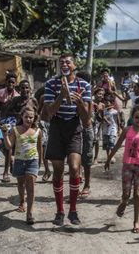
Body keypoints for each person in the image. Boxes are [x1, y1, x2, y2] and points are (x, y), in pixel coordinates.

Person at [44, 54, 92, 225]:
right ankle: (60, 211)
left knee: (73, 167)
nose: (64, 64)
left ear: (74, 65)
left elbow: (86, 120)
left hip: (74, 127)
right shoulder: (51, 84)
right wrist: (61, 96)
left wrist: (79, 104)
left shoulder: (84, 85)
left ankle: (73, 210)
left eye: (68, 62)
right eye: (61, 62)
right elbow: (49, 113)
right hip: (57, 127)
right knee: (57, 171)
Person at [104, 105, 139, 233]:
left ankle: (136, 222)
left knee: (137, 193)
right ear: (132, 118)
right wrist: (109, 158)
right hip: (127, 165)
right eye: (137, 117)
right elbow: (117, 145)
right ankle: (123, 203)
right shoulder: (127, 130)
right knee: (126, 194)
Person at [2, 107, 42, 225]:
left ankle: (29, 214)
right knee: (21, 184)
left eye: (31, 117)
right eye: (26, 117)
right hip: (19, 161)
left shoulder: (38, 131)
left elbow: (40, 148)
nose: (28, 119)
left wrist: (40, 162)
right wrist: (5, 135)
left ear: (34, 118)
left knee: (31, 187)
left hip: (32, 161)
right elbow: (9, 146)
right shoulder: (15, 130)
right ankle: (21, 201)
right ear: (22, 117)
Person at [0, 73, 20, 182]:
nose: (11, 84)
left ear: (15, 84)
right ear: (6, 82)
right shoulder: (0, 93)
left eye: (13, 82)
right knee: (3, 147)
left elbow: (18, 111)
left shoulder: (17, 96)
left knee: (9, 147)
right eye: (9, 82)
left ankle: (5, 172)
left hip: (13, 122)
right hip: (2, 121)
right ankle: (11, 161)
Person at [76, 70, 95, 199]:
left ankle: (87, 185)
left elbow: (88, 116)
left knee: (87, 159)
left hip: (86, 129)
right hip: (74, 128)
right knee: (75, 159)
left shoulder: (88, 98)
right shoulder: (73, 94)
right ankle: (76, 184)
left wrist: (80, 101)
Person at [34, 86, 51, 182]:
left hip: (55, 124)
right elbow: (38, 110)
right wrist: (35, 122)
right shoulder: (43, 97)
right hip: (44, 124)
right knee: (43, 147)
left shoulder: (60, 96)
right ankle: (47, 170)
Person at [102, 93, 119, 164]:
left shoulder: (115, 112)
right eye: (105, 102)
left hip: (113, 129)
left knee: (111, 143)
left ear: (111, 103)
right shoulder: (104, 111)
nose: (106, 103)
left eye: (107, 102)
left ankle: (112, 156)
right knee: (106, 144)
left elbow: (118, 120)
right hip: (105, 130)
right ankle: (108, 156)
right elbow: (101, 118)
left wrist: (120, 128)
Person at [92, 88, 105, 165]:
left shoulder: (102, 105)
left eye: (102, 94)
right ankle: (89, 156)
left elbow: (101, 118)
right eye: (99, 93)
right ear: (95, 94)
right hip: (89, 124)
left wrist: (99, 111)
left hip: (97, 125)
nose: (101, 96)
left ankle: (95, 158)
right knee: (90, 142)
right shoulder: (91, 102)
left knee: (97, 141)